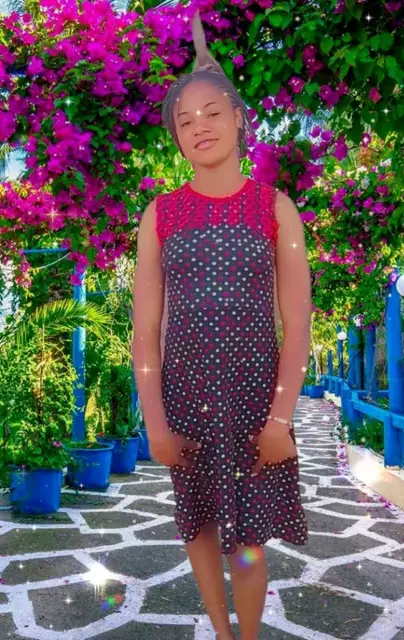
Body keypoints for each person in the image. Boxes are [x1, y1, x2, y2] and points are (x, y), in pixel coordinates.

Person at [132, 12, 311, 640]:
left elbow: (297, 322)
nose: (199, 127)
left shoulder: (276, 208)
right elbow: (145, 330)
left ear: (238, 118)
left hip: (256, 399)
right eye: (185, 121)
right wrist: (154, 422)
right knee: (200, 524)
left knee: (250, 535)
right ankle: (220, 630)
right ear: (176, 139)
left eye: (211, 113)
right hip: (185, 399)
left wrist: (281, 419)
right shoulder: (160, 214)